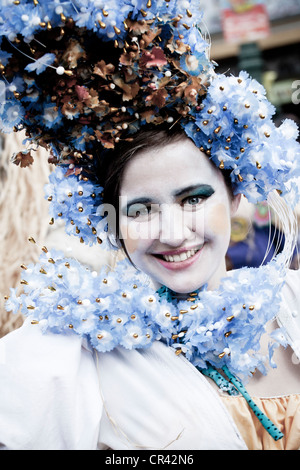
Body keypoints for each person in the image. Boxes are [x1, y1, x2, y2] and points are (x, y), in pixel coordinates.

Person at [0, 0, 299, 451]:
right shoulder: (78, 353)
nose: (173, 233)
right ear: (111, 222)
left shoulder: (294, 305)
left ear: (235, 194)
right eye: (141, 210)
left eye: (194, 199)